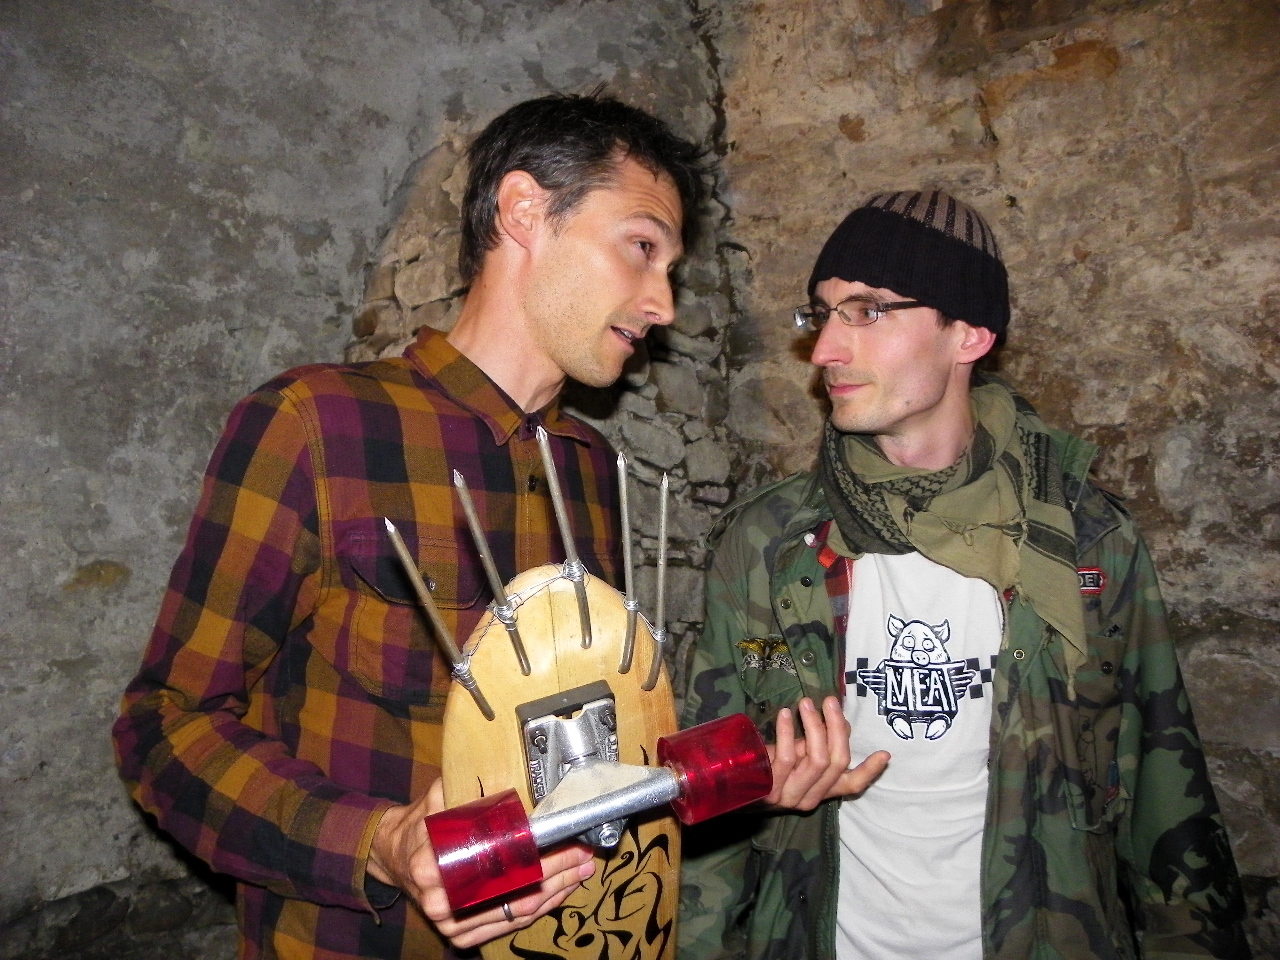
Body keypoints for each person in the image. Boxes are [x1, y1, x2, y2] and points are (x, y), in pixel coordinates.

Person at [112, 92, 706, 960]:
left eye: (671, 268)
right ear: (524, 211)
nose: (663, 304)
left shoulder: (589, 467)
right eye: (642, 247)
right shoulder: (318, 424)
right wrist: (378, 842)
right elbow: (164, 725)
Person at [678, 190, 1249, 960]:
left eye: (867, 311)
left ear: (970, 335)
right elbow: (713, 810)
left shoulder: (1085, 542)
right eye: (822, 313)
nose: (825, 350)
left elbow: (1165, 802)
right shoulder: (769, 543)